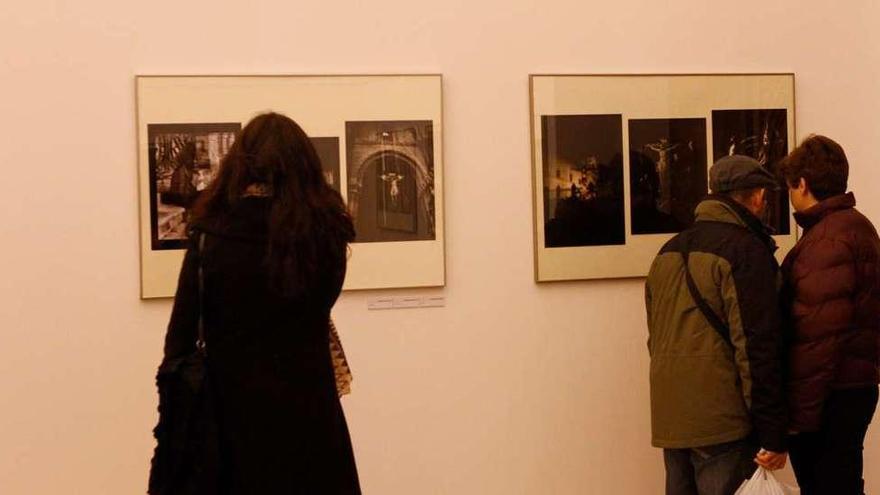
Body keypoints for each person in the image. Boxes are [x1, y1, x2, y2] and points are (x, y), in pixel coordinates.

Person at [155, 112, 361, 494]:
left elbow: (179, 339)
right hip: (311, 419)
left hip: (228, 422)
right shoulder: (326, 236)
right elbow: (322, 303)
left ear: (241, 164)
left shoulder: (211, 235)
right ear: (304, 166)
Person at [645, 155, 788, 495]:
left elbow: (655, 338)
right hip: (722, 424)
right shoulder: (746, 252)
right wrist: (772, 432)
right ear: (756, 197)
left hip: (671, 419)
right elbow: (756, 348)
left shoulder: (666, 252)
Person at [778, 135, 880, 495]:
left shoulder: (826, 240)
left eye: (790, 186)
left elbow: (820, 337)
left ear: (802, 184)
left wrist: (798, 420)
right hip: (853, 387)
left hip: (830, 397)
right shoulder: (855, 226)